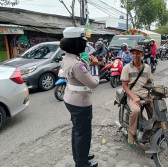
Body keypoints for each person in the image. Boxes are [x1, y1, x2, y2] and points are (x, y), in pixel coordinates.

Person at [60, 27, 99, 167]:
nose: (85, 44)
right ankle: (82, 163)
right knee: (83, 134)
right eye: (82, 41)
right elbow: (93, 83)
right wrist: (95, 67)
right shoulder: (77, 64)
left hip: (71, 99)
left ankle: (79, 154)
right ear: (76, 44)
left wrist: (87, 64)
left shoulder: (68, 58)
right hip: (80, 103)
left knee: (76, 130)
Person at [120, 45, 153, 147]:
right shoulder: (126, 68)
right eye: (133, 53)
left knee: (155, 110)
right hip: (132, 95)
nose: (135, 55)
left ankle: (153, 130)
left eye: (138, 53)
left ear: (142, 54)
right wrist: (134, 97)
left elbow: (149, 83)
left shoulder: (147, 67)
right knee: (136, 111)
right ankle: (131, 133)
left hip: (145, 95)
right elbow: (124, 86)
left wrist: (150, 94)